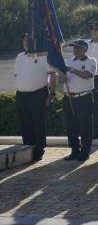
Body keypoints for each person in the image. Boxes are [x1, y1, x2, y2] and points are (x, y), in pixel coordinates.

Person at [13, 34, 56, 162]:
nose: (26, 43)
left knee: (38, 123)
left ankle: (38, 150)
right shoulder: (20, 57)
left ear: (35, 42)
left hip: (38, 94)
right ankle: (28, 149)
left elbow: (52, 75)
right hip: (21, 95)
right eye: (24, 41)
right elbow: (16, 74)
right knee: (25, 123)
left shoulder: (43, 55)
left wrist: (51, 94)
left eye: (29, 41)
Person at [59, 39, 96, 162]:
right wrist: (62, 79)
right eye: (74, 48)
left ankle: (85, 152)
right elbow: (61, 80)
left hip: (84, 97)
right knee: (71, 126)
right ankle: (74, 150)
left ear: (85, 49)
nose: (76, 50)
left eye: (79, 48)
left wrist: (71, 70)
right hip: (69, 97)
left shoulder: (91, 60)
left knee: (85, 126)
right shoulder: (68, 61)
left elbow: (87, 75)